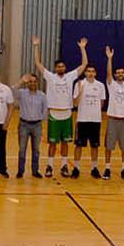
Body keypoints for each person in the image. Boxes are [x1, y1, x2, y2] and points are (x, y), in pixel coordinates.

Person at [34, 35, 88, 177]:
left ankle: (64, 166)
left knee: (65, 143)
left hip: (67, 114)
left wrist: (82, 48)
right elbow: (38, 63)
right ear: (55, 68)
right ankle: (50, 166)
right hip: (54, 114)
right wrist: (36, 46)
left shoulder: (70, 76)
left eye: (62, 66)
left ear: (65, 67)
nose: (60, 68)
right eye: (58, 66)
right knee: (52, 143)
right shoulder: (50, 76)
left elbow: (84, 64)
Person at [102, 47, 124, 180]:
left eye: (122, 73)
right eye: (118, 73)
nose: (120, 74)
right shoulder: (111, 84)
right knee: (109, 146)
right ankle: (107, 168)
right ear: (115, 75)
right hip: (112, 119)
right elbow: (108, 73)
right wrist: (109, 58)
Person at [71, 60, 107, 179]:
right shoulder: (79, 84)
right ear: (85, 73)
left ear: (95, 73)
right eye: (88, 71)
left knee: (94, 146)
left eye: (93, 71)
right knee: (79, 145)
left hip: (95, 120)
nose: (90, 73)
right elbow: (75, 103)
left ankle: (94, 168)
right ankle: (76, 168)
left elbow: (102, 103)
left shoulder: (100, 86)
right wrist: (80, 91)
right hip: (82, 119)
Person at [13, 72, 47, 179]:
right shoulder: (22, 93)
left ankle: (35, 171)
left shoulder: (42, 95)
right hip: (24, 125)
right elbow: (12, 90)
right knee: (22, 150)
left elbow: (45, 110)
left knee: (36, 150)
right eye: (30, 81)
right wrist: (21, 81)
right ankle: (20, 171)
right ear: (27, 83)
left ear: (37, 82)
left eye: (34, 81)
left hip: (37, 126)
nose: (32, 83)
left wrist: (39, 119)